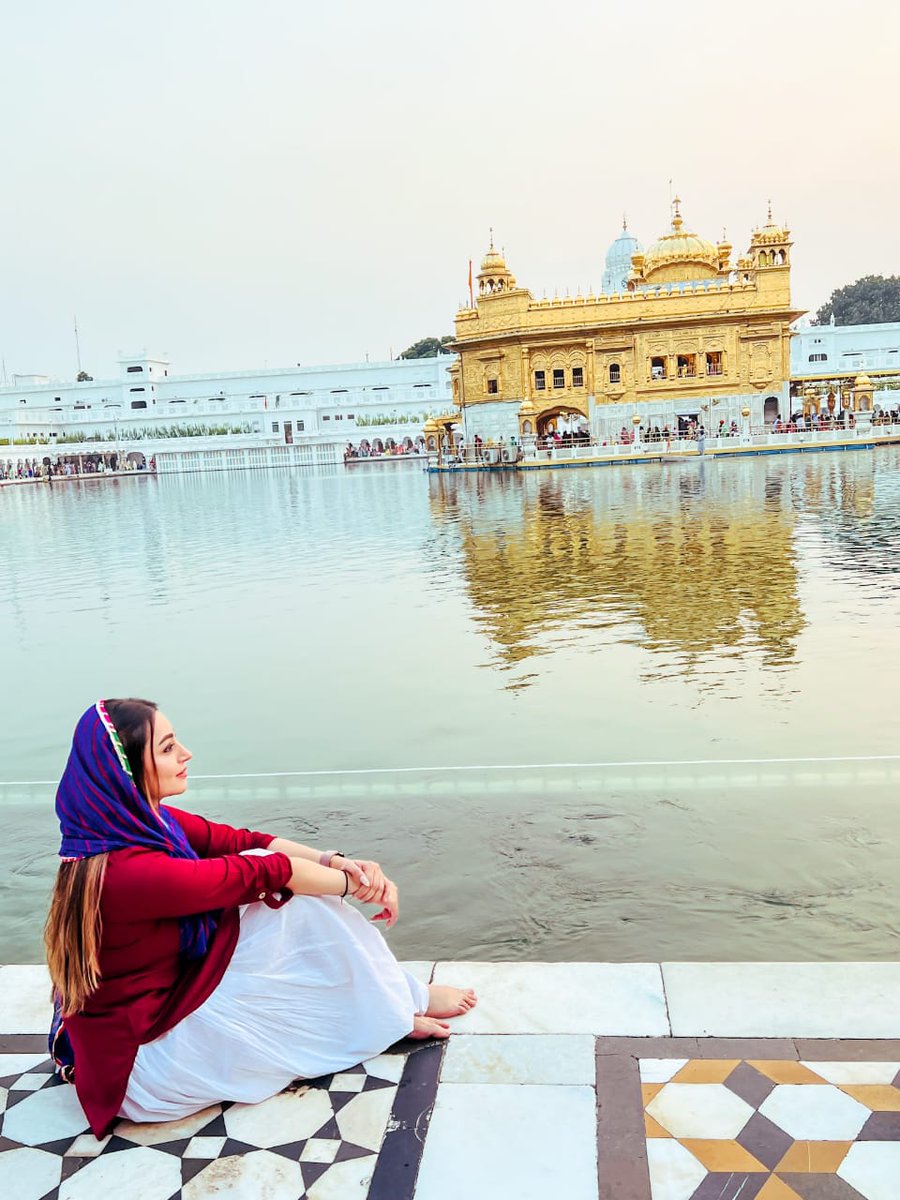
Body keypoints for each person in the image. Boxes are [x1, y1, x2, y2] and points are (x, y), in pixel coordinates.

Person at [45, 699, 476, 1138]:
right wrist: (358, 886)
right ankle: (394, 1007)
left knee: (280, 895)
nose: (186, 754)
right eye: (168, 748)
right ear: (129, 771)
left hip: (156, 1012)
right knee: (290, 900)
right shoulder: (129, 872)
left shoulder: (139, 826)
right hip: (143, 1070)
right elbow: (270, 869)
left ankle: (394, 1001)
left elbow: (244, 841)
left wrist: (341, 861)